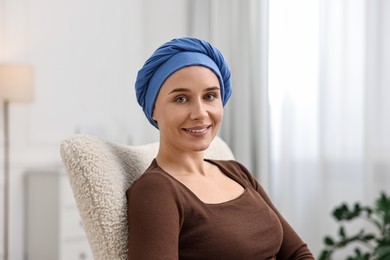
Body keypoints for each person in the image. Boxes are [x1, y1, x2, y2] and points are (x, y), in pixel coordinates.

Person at [127, 37, 314, 260]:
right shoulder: (156, 191)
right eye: (181, 98)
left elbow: (297, 253)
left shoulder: (236, 172)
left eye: (210, 96)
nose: (200, 113)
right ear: (153, 110)